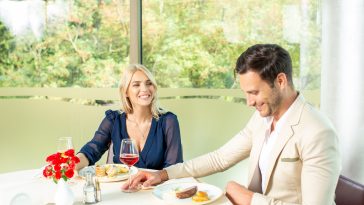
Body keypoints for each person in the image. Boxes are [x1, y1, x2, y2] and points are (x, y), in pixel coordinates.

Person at [123, 44, 341, 205]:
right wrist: (162, 175)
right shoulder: (263, 118)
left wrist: (250, 199)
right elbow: (220, 158)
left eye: (254, 92)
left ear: (281, 81)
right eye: (246, 93)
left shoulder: (317, 132)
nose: (249, 102)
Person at [76, 64, 183, 170]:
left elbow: (174, 167)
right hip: (121, 186)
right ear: (126, 91)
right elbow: (91, 150)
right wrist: (72, 166)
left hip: (157, 187)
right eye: (136, 85)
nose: (144, 89)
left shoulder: (168, 121)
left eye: (149, 83)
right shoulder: (113, 120)